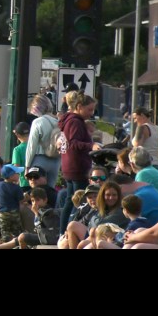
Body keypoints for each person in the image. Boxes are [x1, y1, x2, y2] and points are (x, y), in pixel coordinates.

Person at [59, 91, 100, 235]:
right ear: (79, 106)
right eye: (89, 109)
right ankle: (71, 232)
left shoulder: (71, 120)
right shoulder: (75, 121)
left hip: (70, 166)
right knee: (80, 201)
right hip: (77, 167)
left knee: (71, 202)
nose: (91, 112)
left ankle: (63, 232)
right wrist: (91, 146)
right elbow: (74, 142)